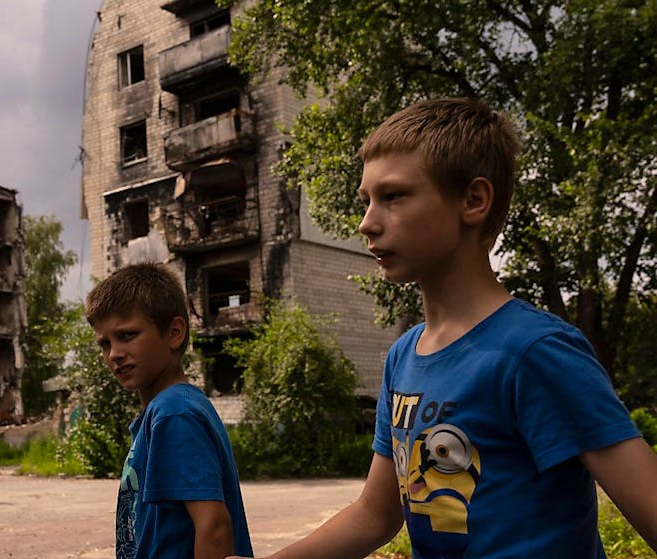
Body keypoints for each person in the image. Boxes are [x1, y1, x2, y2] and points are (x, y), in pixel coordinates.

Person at [231, 97, 657, 559]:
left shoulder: (536, 351)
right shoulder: (403, 356)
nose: (367, 222)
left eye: (393, 196)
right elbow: (375, 515)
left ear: (473, 200)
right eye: (367, 200)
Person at [86, 263, 253, 559]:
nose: (114, 354)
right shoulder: (166, 411)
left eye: (127, 335)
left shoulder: (175, 412)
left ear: (174, 332)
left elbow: (214, 528)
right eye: (104, 343)